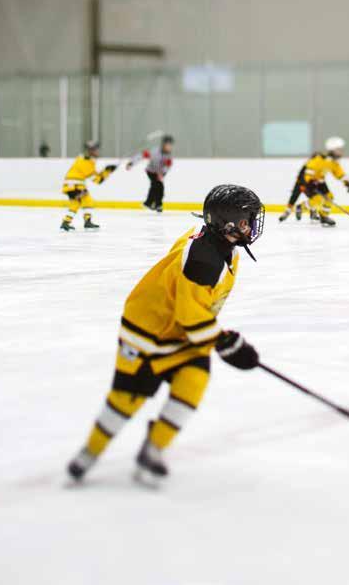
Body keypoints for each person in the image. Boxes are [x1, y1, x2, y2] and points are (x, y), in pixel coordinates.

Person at [66, 185, 265, 483]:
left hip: (181, 333)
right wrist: (226, 343)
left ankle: (153, 448)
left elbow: (194, 313)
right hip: (148, 333)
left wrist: (219, 339)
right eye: (248, 219)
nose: (253, 225)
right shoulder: (203, 261)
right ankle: (90, 452)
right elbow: (191, 317)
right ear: (228, 224)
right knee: (127, 399)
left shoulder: (222, 248)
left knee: (193, 383)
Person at [60, 140, 117, 232]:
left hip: (71, 184)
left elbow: (94, 175)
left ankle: (66, 222)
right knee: (87, 201)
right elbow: (97, 180)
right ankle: (86, 222)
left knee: (77, 203)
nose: (97, 152)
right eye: (95, 150)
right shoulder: (87, 162)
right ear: (91, 151)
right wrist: (108, 171)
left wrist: (106, 171)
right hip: (75, 185)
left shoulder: (83, 159)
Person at [303, 136, 349, 226]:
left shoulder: (334, 162)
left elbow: (339, 173)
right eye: (339, 149)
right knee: (318, 200)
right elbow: (309, 170)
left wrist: (347, 182)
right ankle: (300, 208)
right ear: (332, 150)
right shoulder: (320, 158)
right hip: (311, 182)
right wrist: (310, 182)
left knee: (329, 197)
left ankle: (324, 217)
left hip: (321, 182)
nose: (341, 151)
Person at [126, 134, 174, 212]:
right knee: (155, 185)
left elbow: (168, 166)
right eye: (168, 145)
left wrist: (163, 173)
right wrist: (131, 163)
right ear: (163, 144)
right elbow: (141, 156)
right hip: (151, 171)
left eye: (170, 145)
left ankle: (156, 204)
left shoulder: (168, 155)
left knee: (160, 187)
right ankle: (150, 203)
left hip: (160, 173)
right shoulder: (154, 151)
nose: (169, 147)